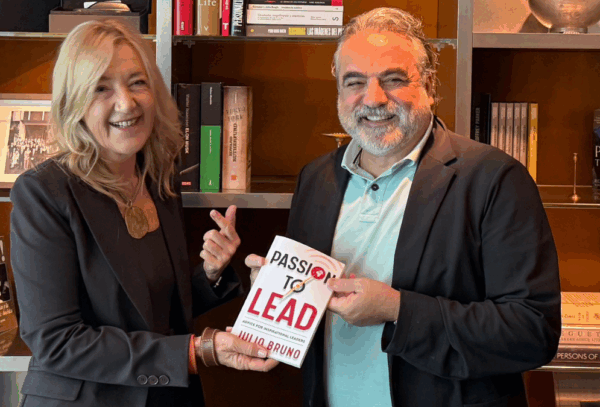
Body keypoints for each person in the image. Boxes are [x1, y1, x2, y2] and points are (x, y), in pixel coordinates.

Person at [246, 7, 561, 407]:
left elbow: (532, 333)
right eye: (354, 82)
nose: (373, 99)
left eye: (393, 79)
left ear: (429, 85)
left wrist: (397, 310)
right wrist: (276, 290)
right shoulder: (316, 179)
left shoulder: (494, 179)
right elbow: (308, 304)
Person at [10, 20, 277, 407]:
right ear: (74, 103)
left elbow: (153, 312)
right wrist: (197, 352)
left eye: (137, 82)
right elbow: (56, 342)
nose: (126, 103)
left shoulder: (157, 179)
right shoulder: (44, 193)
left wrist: (210, 274)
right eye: (101, 88)